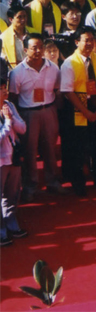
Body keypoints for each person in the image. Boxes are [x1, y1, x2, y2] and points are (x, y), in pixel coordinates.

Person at [9, 35, 66, 201]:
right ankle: (30, 187)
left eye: (41, 47)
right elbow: (13, 97)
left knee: (50, 148)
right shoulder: (17, 72)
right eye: (34, 47)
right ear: (26, 50)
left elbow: (57, 91)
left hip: (48, 110)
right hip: (28, 113)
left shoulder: (53, 68)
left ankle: (53, 181)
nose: (38, 51)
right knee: (29, 151)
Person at [61, 27, 96, 196]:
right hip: (78, 110)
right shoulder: (69, 63)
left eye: (92, 40)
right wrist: (85, 112)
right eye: (86, 40)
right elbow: (68, 92)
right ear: (77, 42)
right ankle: (79, 183)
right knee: (78, 148)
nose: (90, 43)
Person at [1, 59, 27, 247]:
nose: (5, 91)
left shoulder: (9, 105)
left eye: (5, 88)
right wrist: (8, 123)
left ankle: (12, 223)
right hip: (1, 162)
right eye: (2, 88)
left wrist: (11, 119)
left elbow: (23, 127)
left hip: (13, 157)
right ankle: (1, 231)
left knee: (12, 194)